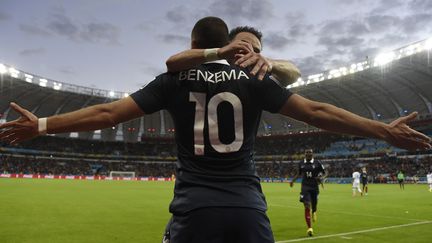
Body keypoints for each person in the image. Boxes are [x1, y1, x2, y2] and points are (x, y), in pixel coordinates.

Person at [0, 16, 431, 242]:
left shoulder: (173, 79)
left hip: (194, 211)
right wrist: (382, 130)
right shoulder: (257, 81)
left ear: (194, 45)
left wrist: (41, 124)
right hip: (248, 210)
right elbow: (319, 111)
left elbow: (108, 114)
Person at [166, 26, 301, 87]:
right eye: (243, 45)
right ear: (228, 45)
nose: (250, 52)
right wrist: (219, 52)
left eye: (256, 50)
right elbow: (172, 63)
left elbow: (294, 74)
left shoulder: (258, 77)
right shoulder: (204, 72)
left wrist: (270, 63)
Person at [290, 149, 327, 236]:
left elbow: (325, 172)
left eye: (310, 152)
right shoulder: (301, 163)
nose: (308, 153)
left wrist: (321, 178)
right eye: (307, 152)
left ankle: (314, 211)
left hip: (314, 186)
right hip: (305, 187)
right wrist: (293, 181)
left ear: (312, 154)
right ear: (305, 154)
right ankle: (309, 228)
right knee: (307, 205)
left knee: (314, 205)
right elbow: (298, 173)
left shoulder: (317, 163)